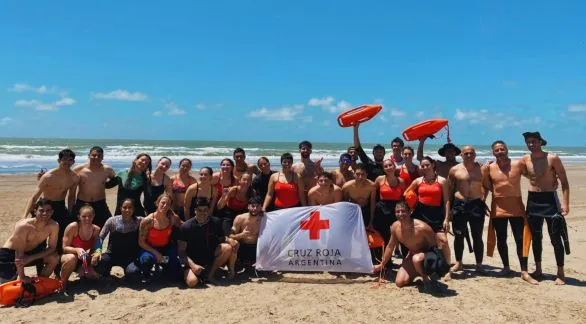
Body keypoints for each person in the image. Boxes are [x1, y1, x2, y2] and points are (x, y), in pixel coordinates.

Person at [482, 141, 537, 284]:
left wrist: (551, 181)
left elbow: (533, 177)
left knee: (520, 239)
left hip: (516, 206)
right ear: (493, 152)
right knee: (501, 239)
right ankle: (506, 267)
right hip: (498, 206)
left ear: (507, 150)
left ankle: (524, 271)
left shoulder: (518, 164)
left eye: (502, 149)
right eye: (497, 150)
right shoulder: (490, 168)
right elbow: (486, 186)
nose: (500, 152)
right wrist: (482, 202)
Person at [522, 131, 570, 285]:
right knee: (536, 238)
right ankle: (539, 269)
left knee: (556, 237)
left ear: (541, 142)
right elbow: (512, 170)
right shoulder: (524, 159)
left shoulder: (552, 158)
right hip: (533, 201)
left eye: (534, 141)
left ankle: (560, 272)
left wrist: (565, 203)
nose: (531, 144)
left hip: (550, 200)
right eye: (528, 142)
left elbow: (564, 181)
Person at [373, 201, 445, 291]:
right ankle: (418, 273)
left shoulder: (422, 227)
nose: (400, 214)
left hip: (425, 257)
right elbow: (390, 246)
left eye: (403, 211)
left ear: (410, 211)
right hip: (412, 256)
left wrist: (437, 266)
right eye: (397, 211)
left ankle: (426, 279)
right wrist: (382, 264)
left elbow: (435, 247)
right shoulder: (395, 227)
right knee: (399, 282)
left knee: (417, 258)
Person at [23, 149, 79, 252]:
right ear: (59, 160)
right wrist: (24, 216)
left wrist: (71, 213)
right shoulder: (48, 176)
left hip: (60, 207)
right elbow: (34, 197)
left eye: (70, 160)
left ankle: (56, 263)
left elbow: (71, 197)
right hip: (45, 205)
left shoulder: (74, 177)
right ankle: (39, 264)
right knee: (39, 238)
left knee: (60, 236)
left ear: (73, 162)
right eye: (64, 159)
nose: (67, 162)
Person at [405, 156, 452, 280]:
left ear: (433, 165)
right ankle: (420, 267)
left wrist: (447, 218)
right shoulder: (418, 181)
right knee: (420, 243)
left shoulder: (442, 181)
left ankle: (447, 269)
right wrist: (412, 204)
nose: (425, 167)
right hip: (420, 214)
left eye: (427, 165)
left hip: (437, 214)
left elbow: (447, 200)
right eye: (422, 166)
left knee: (443, 241)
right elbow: (406, 193)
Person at [178, 197, 236, 286]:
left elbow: (222, 238)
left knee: (227, 248)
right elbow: (181, 252)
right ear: (194, 211)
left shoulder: (216, 222)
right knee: (192, 282)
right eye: (199, 210)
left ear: (209, 210)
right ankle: (194, 273)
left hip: (209, 255)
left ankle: (210, 275)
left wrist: (230, 240)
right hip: (192, 259)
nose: (202, 213)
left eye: (205, 210)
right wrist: (193, 265)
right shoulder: (186, 227)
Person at [0, 199, 59, 284]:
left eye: (48, 210)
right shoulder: (24, 226)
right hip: (9, 255)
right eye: (41, 210)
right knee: (5, 286)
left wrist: (31, 258)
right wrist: (22, 276)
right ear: (35, 211)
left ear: (52, 212)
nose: (45, 213)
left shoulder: (54, 226)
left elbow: (52, 248)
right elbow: (19, 253)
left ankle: (40, 282)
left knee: (54, 258)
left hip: (28, 254)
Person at [448, 146, 486, 274]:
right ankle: (459, 262)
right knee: (459, 236)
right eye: (466, 153)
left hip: (476, 204)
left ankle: (479, 264)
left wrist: (484, 198)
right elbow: (450, 190)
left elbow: (487, 185)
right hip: (460, 204)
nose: (468, 155)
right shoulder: (454, 170)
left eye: (471, 153)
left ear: (475, 154)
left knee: (477, 236)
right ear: (461, 155)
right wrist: (449, 210)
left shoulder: (482, 168)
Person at [94, 198, 143, 281]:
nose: (127, 210)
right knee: (99, 264)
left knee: (134, 273)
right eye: (124, 207)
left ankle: (128, 274)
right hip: (112, 255)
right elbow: (100, 238)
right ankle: (107, 274)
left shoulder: (138, 221)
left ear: (134, 209)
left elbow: (153, 219)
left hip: (129, 257)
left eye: (130, 207)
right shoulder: (112, 221)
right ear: (120, 208)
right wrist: (97, 252)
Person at [137, 193, 183, 280]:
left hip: (165, 248)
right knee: (147, 260)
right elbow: (141, 242)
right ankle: (147, 273)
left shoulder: (171, 218)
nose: (165, 206)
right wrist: (156, 253)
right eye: (163, 203)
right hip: (150, 249)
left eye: (168, 204)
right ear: (157, 203)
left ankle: (163, 264)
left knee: (177, 273)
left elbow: (183, 225)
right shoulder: (148, 221)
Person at [71, 146, 116, 228]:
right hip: (82, 203)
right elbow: (66, 176)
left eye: (99, 156)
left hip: (100, 203)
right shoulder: (79, 169)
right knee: (79, 227)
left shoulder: (107, 170)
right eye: (94, 155)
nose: (96, 157)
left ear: (102, 157)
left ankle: (98, 241)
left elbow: (117, 180)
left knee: (107, 226)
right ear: (89, 155)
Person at [60, 204, 101, 288]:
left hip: (82, 258)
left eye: (90, 216)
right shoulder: (73, 227)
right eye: (84, 216)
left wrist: (94, 256)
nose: (87, 219)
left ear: (94, 216)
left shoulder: (96, 229)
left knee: (94, 276)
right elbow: (64, 248)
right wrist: (77, 250)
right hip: (67, 257)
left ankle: (83, 271)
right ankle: (62, 284)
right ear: (79, 216)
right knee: (72, 258)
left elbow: (95, 248)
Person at [373, 160, 405, 245]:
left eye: (390, 165)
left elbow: (403, 198)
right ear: (383, 169)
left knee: (400, 232)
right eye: (385, 166)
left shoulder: (401, 181)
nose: (388, 168)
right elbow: (372, 194)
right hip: (382, 208)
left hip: (396, 209)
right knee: (384, 234)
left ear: (394, 166)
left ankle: (403, 255)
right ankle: (386, 257)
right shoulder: (380, 179)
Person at [113, 153, 152, 217]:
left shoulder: (145, 179)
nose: (144, 163)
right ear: (136, 160)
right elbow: (108, 185)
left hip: (136, 212)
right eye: (142, 160)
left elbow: (148, 198)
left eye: (147, 163)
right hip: (120, 211)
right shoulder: (122, 173)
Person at [230, 196, 264, 268]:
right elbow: (230, 236)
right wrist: (241, 235)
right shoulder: (240, 218)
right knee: (233, 243)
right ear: (248, 206)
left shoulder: (264, 219)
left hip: (256, 248)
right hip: (242, 247)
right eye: (253, 206)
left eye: (257, 206)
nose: (255, 209)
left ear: (261, 207)